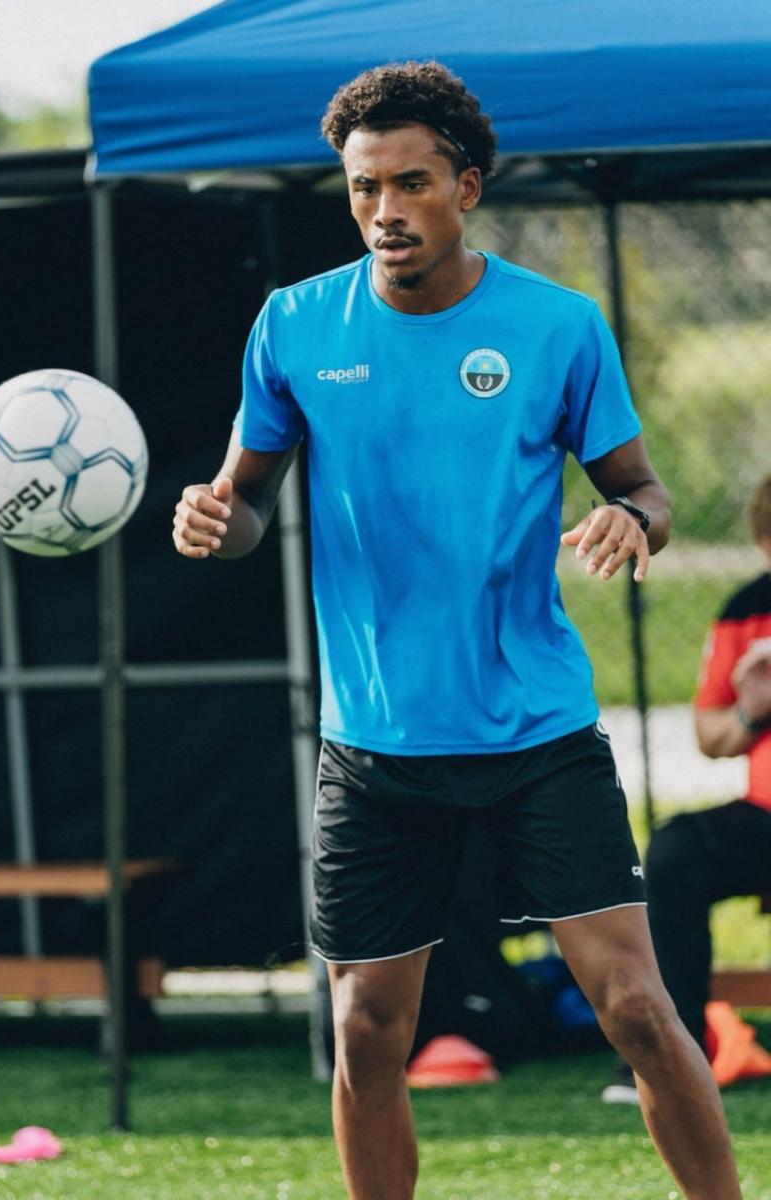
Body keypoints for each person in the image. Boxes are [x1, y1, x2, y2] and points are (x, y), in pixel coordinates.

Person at [172, 60, 740, 1200]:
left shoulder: (557, 327)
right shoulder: (292, 326)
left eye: (411, 183)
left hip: (535, 730)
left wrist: (630, 521)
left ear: (466, 186)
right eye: (363, 188)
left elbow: (649, 490)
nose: (385, 210)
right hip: (376, 750)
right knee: (370, 1033)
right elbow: (244, 513)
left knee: (635, 1006)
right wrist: (211, 521)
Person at [611, 476, 771, 1096]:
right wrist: (751, 712)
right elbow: (711, 737)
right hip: (763, 815)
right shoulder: (747, 609)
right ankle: (673, 1057)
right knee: (677, 849)